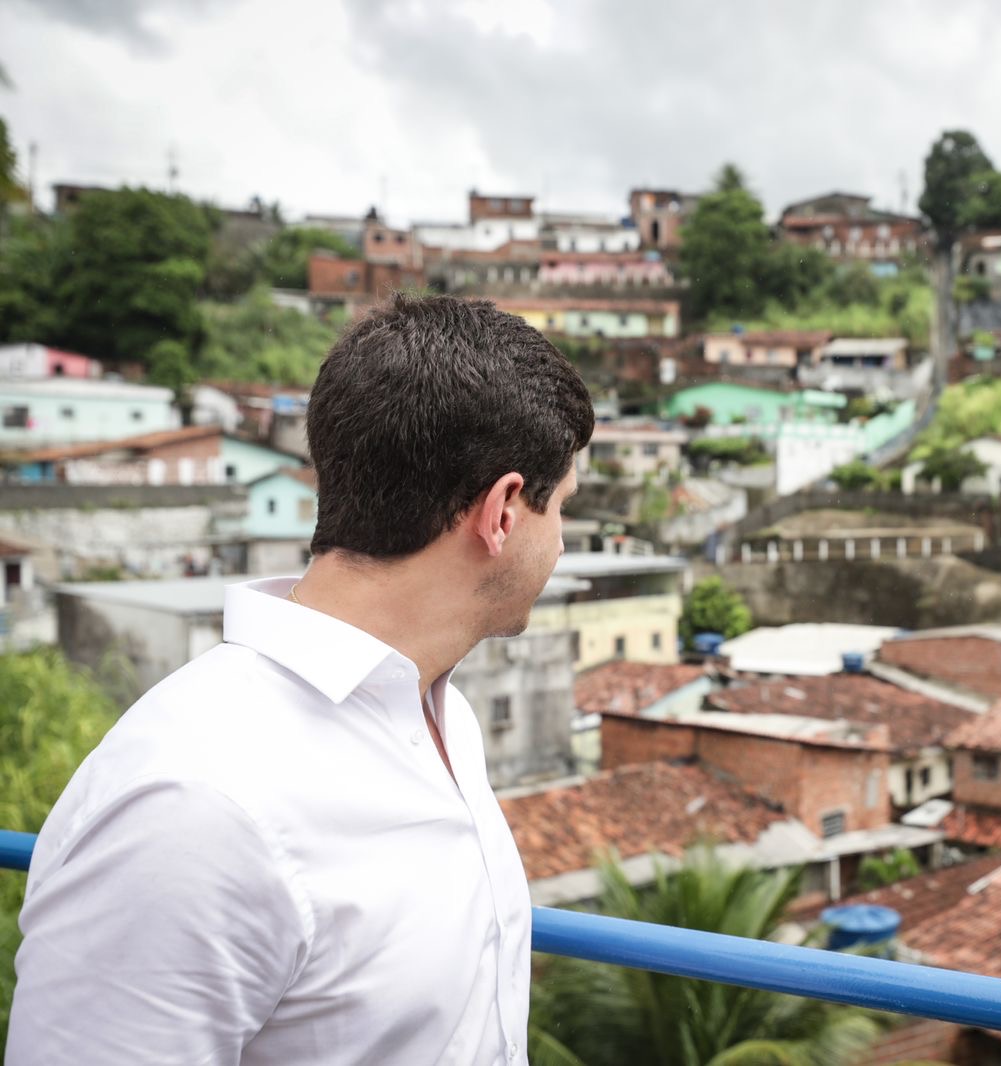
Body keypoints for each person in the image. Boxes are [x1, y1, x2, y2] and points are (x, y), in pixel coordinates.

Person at [8, 295, 593, 1065]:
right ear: (505, 511)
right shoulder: (195, 807)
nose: (561, 547)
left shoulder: (439, 715)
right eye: (565, 511)